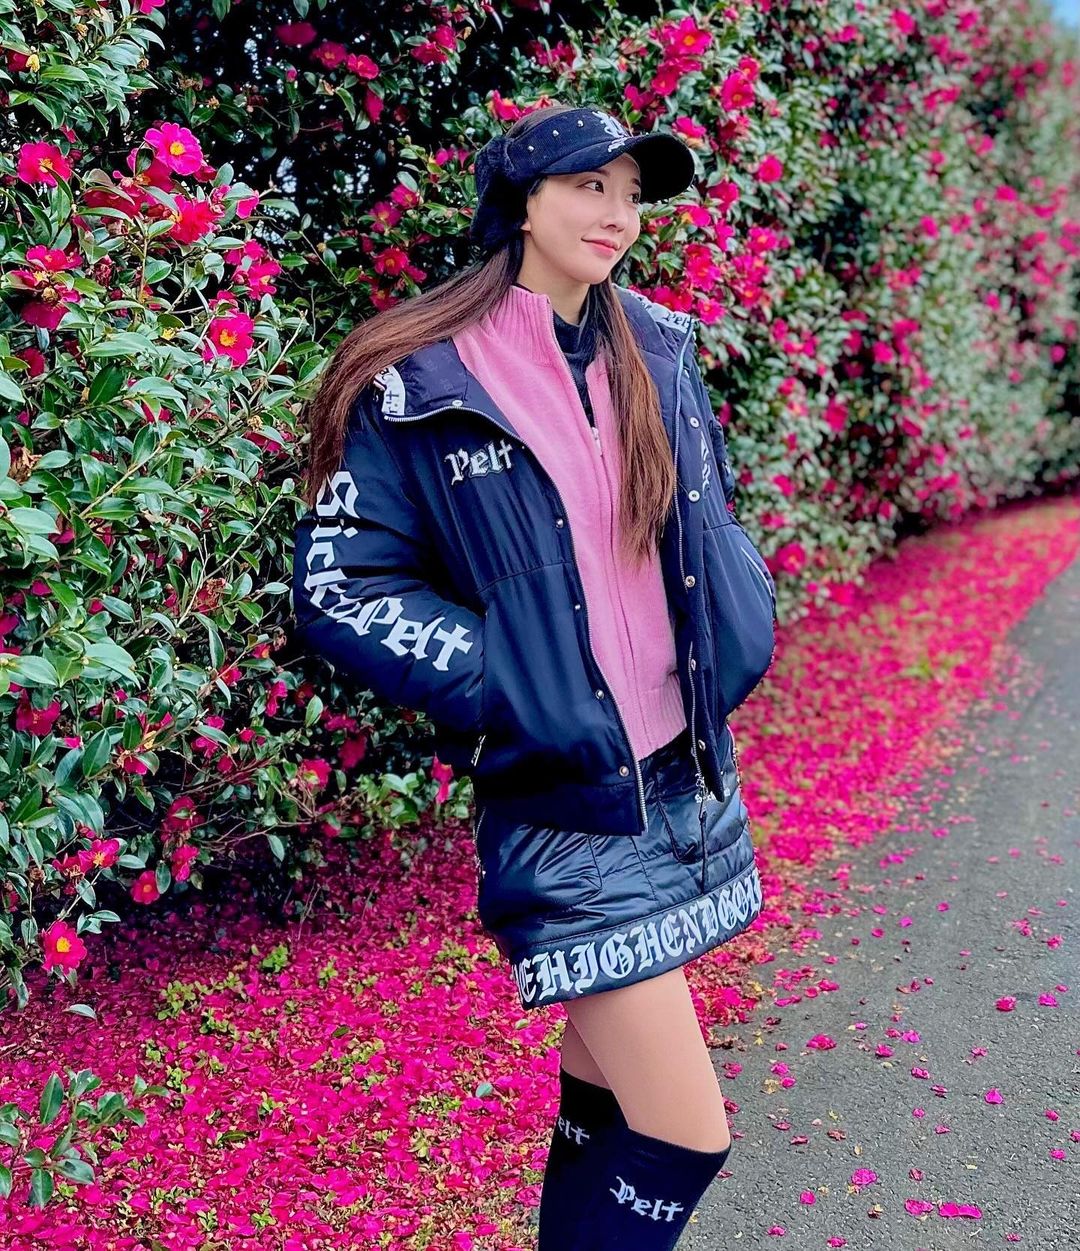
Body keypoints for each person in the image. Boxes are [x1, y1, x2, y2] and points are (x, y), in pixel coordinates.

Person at [291, 101, 778, 1250]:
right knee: (686, 1137)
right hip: (567, 803)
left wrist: (743, 602)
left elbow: (698, 518)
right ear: (521, 203)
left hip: (683, 776)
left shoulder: (656, 345)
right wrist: (506, 678)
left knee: (601, 1107)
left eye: (631, 194)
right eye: (589, 188)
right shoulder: (421, 377)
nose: (618, 214)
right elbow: (339, 586)